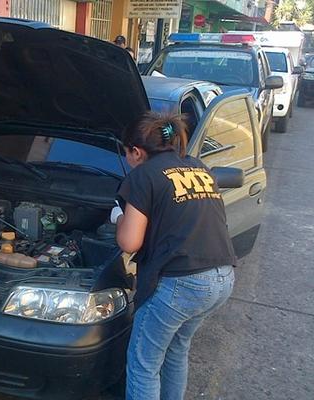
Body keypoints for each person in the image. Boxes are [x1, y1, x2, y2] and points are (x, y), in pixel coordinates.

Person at [110, 112, 236, 400]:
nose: (127, 159)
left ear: (136, 152)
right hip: (222, 278)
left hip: (182, 283)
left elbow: (129, 242)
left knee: (144, 364)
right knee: (176, 351)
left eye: (126, 152)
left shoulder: (143, 175)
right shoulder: (197, 167)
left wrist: (118, 217)